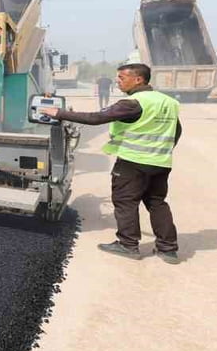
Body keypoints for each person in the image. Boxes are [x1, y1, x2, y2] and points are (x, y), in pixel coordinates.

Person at [41, 64, 182, 263]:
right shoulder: (168, 102)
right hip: (160, 163)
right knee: (157, 203)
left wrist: (60, 113)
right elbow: (177, 131)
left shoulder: (133, 103)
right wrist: (161, 150)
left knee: (125, 202)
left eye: (123, 77)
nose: (118, 81)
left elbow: (96, 117)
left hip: (133, 162)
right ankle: (168, 248)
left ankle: (127, 244)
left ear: (138, 79)